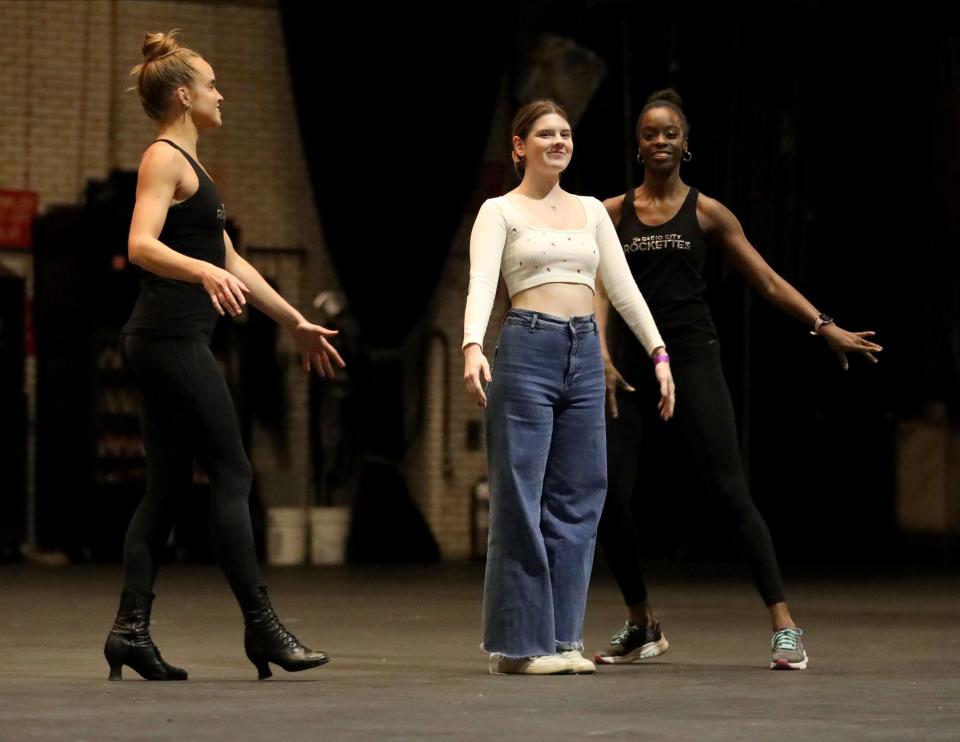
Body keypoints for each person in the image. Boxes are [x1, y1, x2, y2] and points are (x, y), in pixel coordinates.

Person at [594, 89, 881, 670]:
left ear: (686, 144)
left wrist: (824, 325)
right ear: (638, 144)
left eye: (670, 132)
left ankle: (785, 626)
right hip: (633, 369)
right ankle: (642, 623)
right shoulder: (610, 213)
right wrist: (602, 355)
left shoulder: (708, 213)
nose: (660, 141)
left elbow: (769, 281)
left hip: (694, 358)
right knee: (610, 502)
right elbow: (598, 289)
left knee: (730, 492)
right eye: (650, 133)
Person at [104, 30, 345, 681]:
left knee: (167, 487)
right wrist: (202, 276)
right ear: (184, 94)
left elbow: (231, 259)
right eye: (211, 84)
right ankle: (263, 630)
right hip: (169, 339)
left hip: (165, 340)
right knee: (234, 472)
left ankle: (129, 632)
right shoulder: (164, 158)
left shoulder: (197, 168)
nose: (220, 92)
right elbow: (140, 245)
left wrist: (294, 320)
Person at [462, 99, 675, 675]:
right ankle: (517, 648)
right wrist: (473, 345)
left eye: (565, 133)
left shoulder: (590, 211)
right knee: (520, 496)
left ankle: (561, 641)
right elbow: (483, 281)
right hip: (527, 345)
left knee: (582, 496)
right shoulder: (499, 210)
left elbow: (624, 288)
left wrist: (658, 352)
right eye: (546, 134)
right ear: (519, 146)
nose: (559, 141)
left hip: (583, 352)